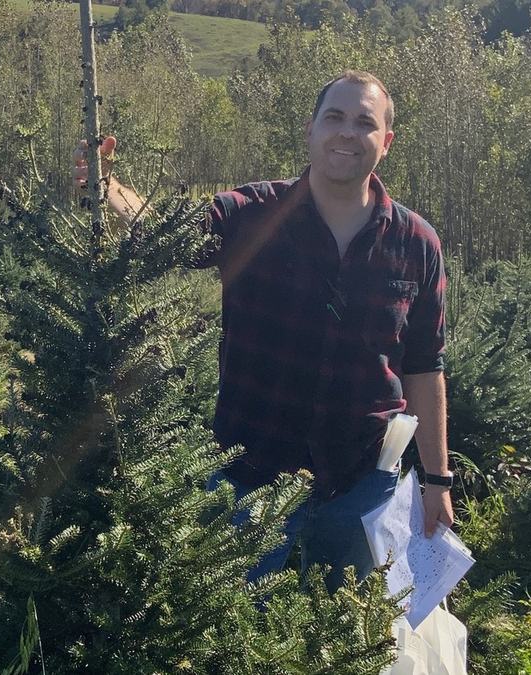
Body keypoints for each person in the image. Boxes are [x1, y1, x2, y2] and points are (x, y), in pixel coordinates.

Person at [73, 70, 453, 590]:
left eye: (365, 122)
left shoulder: (417, 244)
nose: (347, 132)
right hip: (247, 476)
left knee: (344, 637)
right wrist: (108, 185)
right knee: (231, 632)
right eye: (334, 117)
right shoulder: (252, 214)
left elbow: (424, 367)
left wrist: (437, 480)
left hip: (362, 483)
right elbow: (166, 230)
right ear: (311, 129)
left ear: (385, 142)